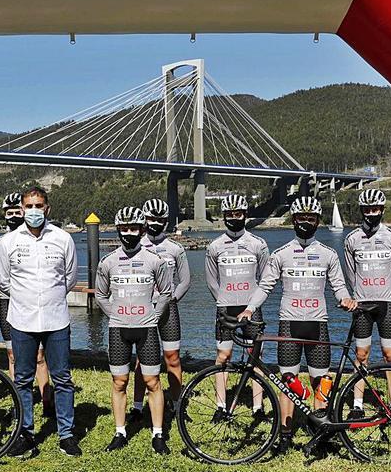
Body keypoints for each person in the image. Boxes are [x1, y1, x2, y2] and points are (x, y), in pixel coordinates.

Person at [242, 196, 356, 453]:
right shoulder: (281, 254)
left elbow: (338, 285)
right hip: (289, 326)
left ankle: (319, 433)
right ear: (294, 220)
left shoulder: (328, 254)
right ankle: (285, 436)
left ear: (318, 222)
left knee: (320, 382)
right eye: (301, 218)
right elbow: (265, 285)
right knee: (288, 381)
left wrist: (345, 299)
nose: (306, 222)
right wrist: (250, 308)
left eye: (311, 218)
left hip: (317, 325)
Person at [0, 186, 81, 458]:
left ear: (48, 208)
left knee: (63, 378)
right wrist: (29, 298)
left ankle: (66, 435)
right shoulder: (7, 243)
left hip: (56, 319)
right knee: (22, 379)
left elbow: (69, 278)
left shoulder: (63, 239)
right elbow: (4, 282)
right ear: (21, 210)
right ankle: (25, 433)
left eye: (39, 205)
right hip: (22, 319)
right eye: (29, 206)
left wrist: (49, 298)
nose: (34, 211)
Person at [96, 207, 173, 454]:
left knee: (153, 381)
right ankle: (120, 432)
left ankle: (158, 434)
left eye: (133, 229)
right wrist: (115, 314)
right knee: (119, 381)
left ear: (142, 230)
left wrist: (154, 316)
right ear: (118, 230)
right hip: (118, 329)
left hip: (147, 329)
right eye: (124, 229)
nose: (129, 233)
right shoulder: (108, 261)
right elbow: (100, 294)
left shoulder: (154, 260)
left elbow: (166, 292)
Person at [205, 194, 269, 421]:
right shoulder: (215, 246)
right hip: (225, 308)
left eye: (238, 214)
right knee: (223, 355)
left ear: (245, 215)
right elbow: (212, 280)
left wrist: (254, 304)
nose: (234, 218)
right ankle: (221, 406)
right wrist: (221, 299)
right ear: (224, 217)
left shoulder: (258, 244)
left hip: (252, 308)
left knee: (255, 355)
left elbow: (265, 278)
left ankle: (257, 407)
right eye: (230, 215)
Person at [342, 188, 391, 421]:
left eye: (375, 209)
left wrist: (388, 294)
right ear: (361, 211)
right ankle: (357, 405)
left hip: (386, 305)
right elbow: (350, 274)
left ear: (382, 210)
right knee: (361, 354)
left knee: (390, 354)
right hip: (362, 305)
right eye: (367, 209)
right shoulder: (352, 239)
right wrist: (359, 295)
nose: (371, 213)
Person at [0, 192, 53, 414]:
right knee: (12, 355)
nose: (14, 216)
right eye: (10, 213)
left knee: (39, 355)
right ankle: (18, 400)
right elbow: (1, 279)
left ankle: (47, 398)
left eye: (17, 212)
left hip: (34, 303)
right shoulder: (0, 243)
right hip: (8, 303)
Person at [130, 198, 191, 421]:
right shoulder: (136, 245)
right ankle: (137, 406)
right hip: (142, 308)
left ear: (166, 222)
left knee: (172, 357)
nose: (155, 223)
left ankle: (177, 405)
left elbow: (184, 281)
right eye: (151, 219)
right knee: (140, 360)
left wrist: (170, 299)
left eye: (160, 220)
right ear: (144, 220)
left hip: (168, 310)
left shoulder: (176, 248)